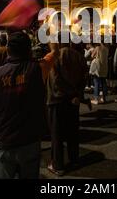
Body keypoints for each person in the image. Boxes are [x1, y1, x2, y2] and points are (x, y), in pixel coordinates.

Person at [0, 32, 45, 179]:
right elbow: (54, 55)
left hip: (4, 139)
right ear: (29, 49)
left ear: (8, 49)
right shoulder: (38, 69)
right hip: (30, 139)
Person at [46, 32, 87, 175]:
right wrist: (77, 95)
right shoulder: (78, 56)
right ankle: (74, 158)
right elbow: (84, 78)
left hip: (57, 100)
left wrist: (66, 94)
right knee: (73, 131)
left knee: (56, 134)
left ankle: (58, 165)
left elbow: (55, 81)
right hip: (73, 100)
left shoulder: (55, 57)